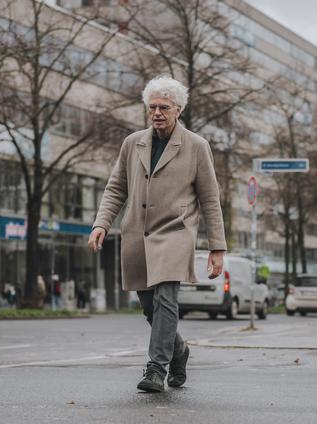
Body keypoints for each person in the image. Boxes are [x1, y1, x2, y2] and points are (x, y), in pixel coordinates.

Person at [88, 76, 226, 393]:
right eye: (152, 107)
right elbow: (115, 188)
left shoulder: (196, 146)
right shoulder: (132, 143)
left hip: (176, 231)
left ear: (178, 109)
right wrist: (101, 223)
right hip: (137, 232)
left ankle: (156, 368)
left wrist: (217, 247)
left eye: (164, 107)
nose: (157, 113)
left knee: (166, 299)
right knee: (150, 307)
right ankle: (179, 351)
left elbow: (209, 199)